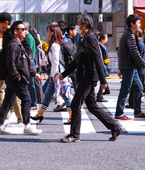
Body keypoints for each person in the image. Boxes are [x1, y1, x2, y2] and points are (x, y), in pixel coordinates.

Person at [58, 14, 122, 143]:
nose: (76, 25)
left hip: (89, 76)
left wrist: (103, 81)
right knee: (92, 106)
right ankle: (115, 126)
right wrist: (64, 74)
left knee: (76, 103)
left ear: (84, 25)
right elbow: (77, 60)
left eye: (78, 23)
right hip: (84, 75)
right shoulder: (83, 38)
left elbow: (98, 59)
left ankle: (74, 135)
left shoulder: (90, 38)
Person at [0, 21, 43, 135]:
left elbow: (25, 62)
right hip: (15, 79)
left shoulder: (19, 43)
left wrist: (33, 73)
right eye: (23, 29)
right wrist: (17, 77)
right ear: (16, 31)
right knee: (26, 99)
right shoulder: (13, 45)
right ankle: (27, 125)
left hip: (15, 78)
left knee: (8, 102)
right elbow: (10, 63)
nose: (25, 31)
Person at [30, 25, 72, 124]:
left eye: (48, 31)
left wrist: (53, 75)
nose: (46, 33)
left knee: (65, 96)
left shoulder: (54, 45)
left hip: (58, 75)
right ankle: (40, 114)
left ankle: (72, 116)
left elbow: (56, 61)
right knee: (48, 95)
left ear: (53, 32)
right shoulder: (56, 44)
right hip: (58, 74)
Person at [115, 14, 145, 120]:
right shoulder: (129, 35)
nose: (140, 24)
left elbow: (121, 52)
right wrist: (144, 66)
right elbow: (134, 52)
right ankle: (119, 113)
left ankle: (137, 111)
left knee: (139, 87)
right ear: (132, 24)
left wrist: (119, 67)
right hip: (128, 68)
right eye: (138, 22)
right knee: (125, 89)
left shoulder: (130, 34)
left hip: (131, 67)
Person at [96, 33, 110, 102]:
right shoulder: (101, 46)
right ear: (102, 39)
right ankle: (100, 95)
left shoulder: (101, 45)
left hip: (101, 65)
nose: (107, 39)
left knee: (102, 79)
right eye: (106, 38)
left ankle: (104, 92)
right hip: (102, 65)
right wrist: (107, 63)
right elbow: (105, 58)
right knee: (102, 79)